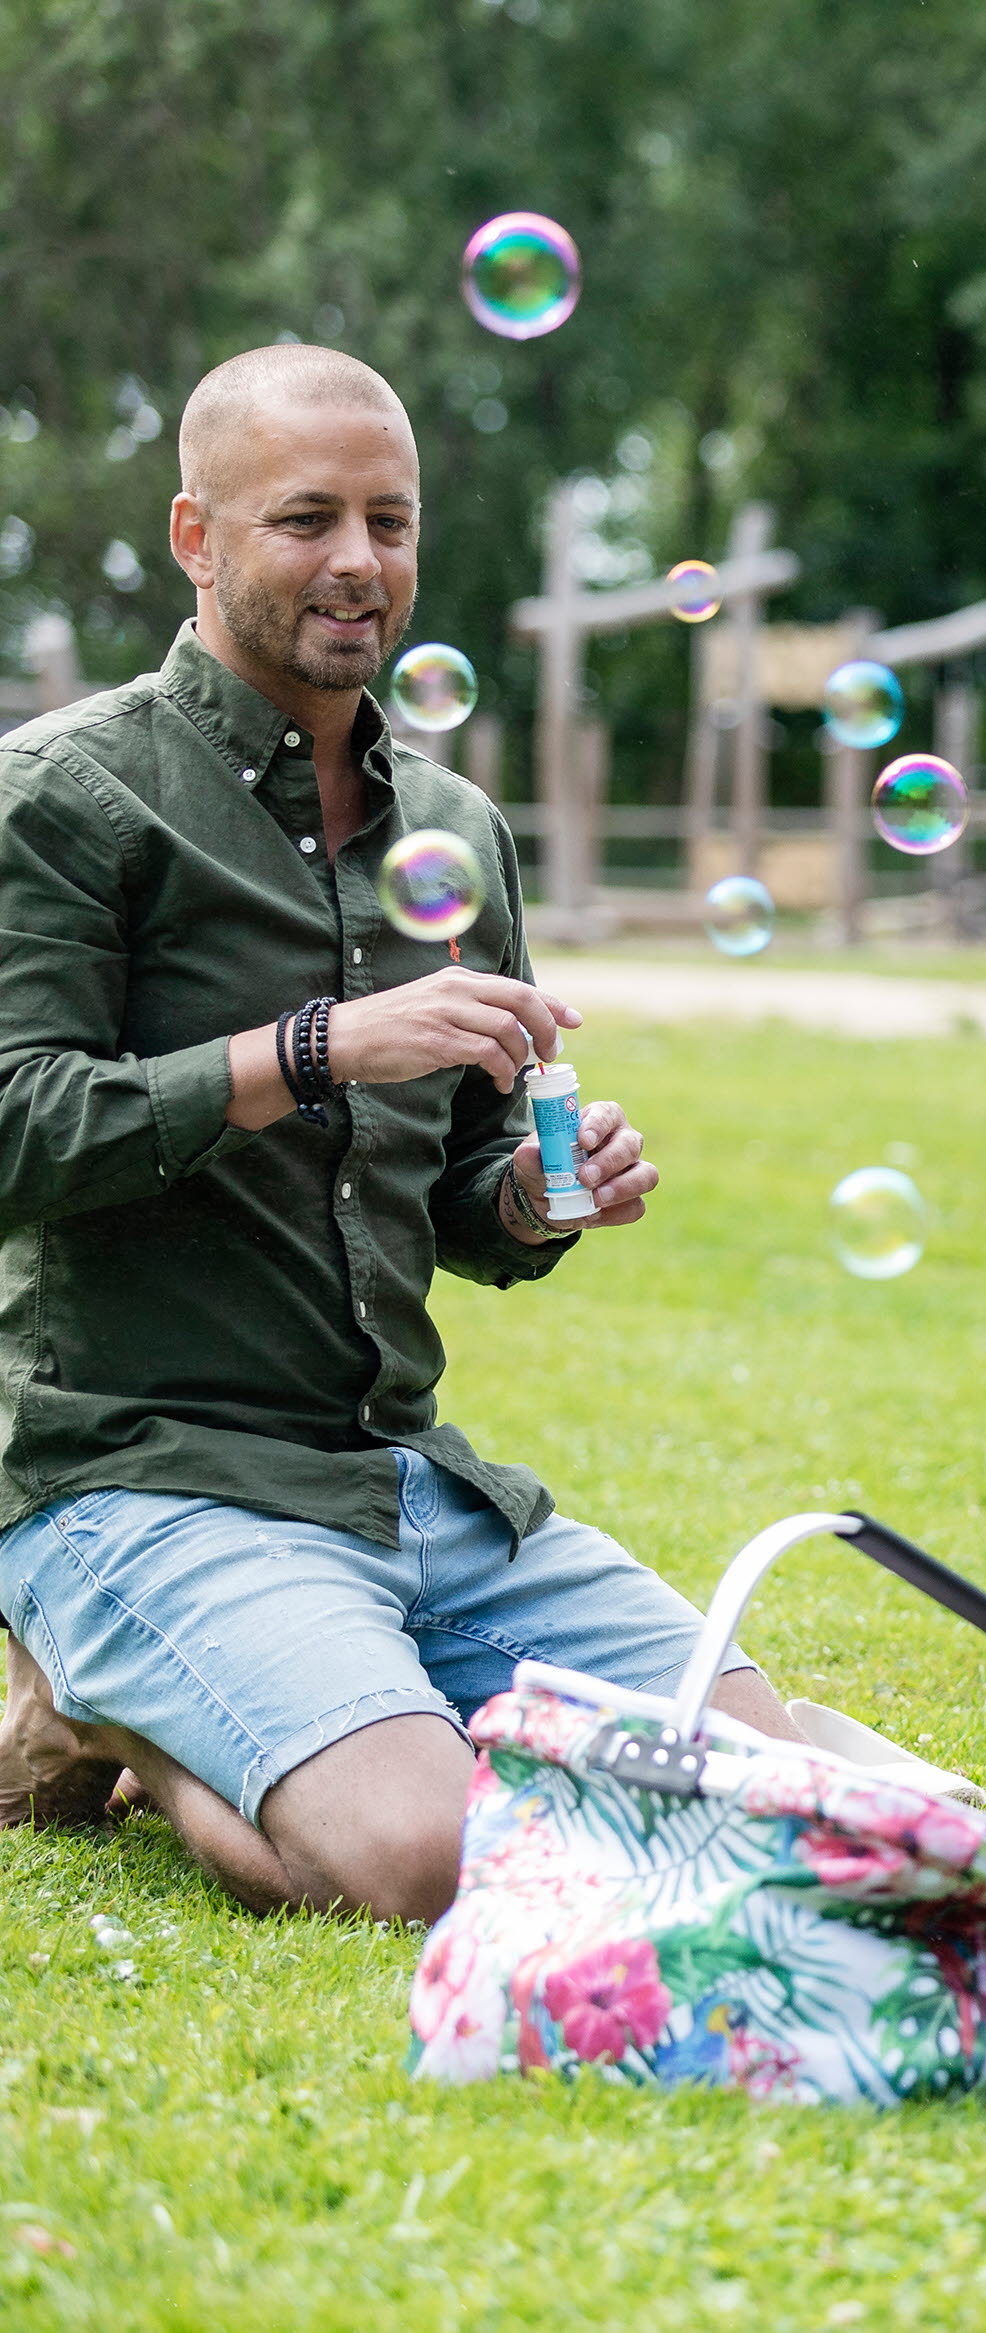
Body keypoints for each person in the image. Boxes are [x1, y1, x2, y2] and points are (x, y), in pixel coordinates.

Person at [0, 344, 798, 1922]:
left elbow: (455, 1200)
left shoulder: (454, 830)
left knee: (783, 1781)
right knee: (426, 1855)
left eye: (390, 519)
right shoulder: (63, 799)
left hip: (401, 1482)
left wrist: (538, 1200)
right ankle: (115, 1717)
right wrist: (309, 1049)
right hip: (143, 1473)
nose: (359, 563)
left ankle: (275, 1698)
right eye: (305, 519)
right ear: (195, 536)